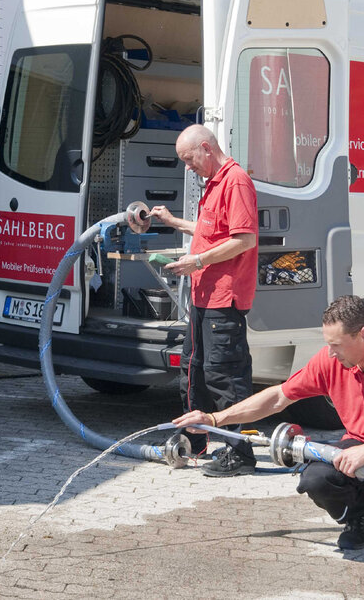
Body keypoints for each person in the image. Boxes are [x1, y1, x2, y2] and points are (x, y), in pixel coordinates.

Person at [173, 295, 364, 580]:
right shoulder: (332, 362)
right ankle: (362, 514)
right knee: (315, 479)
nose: (331, 353)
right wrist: (214, 419)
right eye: (328, 345)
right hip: (357, 451)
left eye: (336, 345)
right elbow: (278, 398)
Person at [149, 125, 258, 477]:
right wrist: (172, 222)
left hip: (223, 299)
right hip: (202, 297)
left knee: (224, 376)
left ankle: (241, 453)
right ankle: (195, 441)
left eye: (189, 159)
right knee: (193, 371)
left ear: (206, 149)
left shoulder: (235, 180)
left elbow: (244, 239)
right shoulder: (214, 183)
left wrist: (196, 262)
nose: (187, 168)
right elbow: (211, 232)